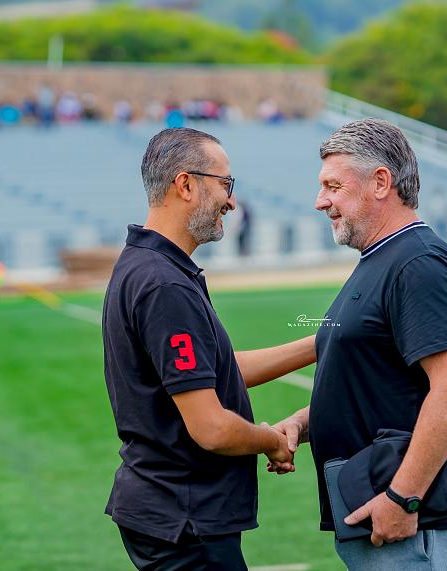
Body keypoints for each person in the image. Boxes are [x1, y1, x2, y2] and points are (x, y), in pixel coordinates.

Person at [271, 119, 447, 570]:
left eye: (333, 186)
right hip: (373, 506)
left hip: (411, 519)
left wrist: (403, 496)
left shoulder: (419, 262)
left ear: (381, 182)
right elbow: (376, 378)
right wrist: (305, 421)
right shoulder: (381, 259)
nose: (320, 201)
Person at [102, 127, 315, 570]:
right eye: (225, 184)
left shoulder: (150, 266)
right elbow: (212, 429)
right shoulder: (164, 284)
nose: (232, 201)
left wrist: (319, 344)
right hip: (184, 519)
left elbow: (213, 371)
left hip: (170, 514)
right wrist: (270, 440)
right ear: (186, 184)